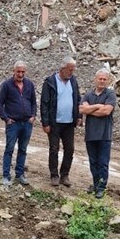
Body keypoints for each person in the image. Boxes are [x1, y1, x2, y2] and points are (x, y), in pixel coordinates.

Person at [40, 58, 81, 187]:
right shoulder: (50, 82)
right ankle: (54, 175)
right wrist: (45, 122)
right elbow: (44, 103)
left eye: (73, 70)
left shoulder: (73, 81)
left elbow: (78, 99)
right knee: (54, 149)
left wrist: (78, 116)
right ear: (62, 69)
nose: (71, 72)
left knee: (69, 149)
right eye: (70, 70)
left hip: (69, 123)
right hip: (54, 123)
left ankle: (65, 175)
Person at [0, 61, 37, 187]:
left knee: (23, 149)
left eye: (23, 72)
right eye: (18, 71)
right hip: (13, 124)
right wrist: (6, 119)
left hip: (27, 123)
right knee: (9, 149)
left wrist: (33, 116)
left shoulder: (29, 84)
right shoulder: (7, 85)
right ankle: (6, 175)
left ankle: (19, 174)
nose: (20, 74)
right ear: (13, 71)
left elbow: (34, 102)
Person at [79, 68, 117, 200]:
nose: (102, 81)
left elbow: (106, 111)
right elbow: (82, 109)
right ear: (95, 79)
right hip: (90, 135)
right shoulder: (88, 94)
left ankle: (101, 187)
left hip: (104, 135)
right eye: (100, 79)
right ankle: (95, 185)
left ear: (107, 81)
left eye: (104, 79)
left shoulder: (110, 95)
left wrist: (91, 109)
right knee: (93, 162)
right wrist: (98, 106)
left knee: (103, 162)